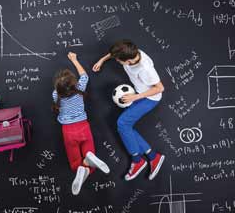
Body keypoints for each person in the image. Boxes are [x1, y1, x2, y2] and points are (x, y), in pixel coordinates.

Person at [92, 39, 165, 181]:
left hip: (150, 98)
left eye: (119, 61)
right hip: (139, 93)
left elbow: (160, 88)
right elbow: (114, 54)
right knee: (126, 126)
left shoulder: (146, 69)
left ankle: (138, 161)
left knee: (122, 123)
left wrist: (136, 97)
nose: (117, 62)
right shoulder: (131, 52)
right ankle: (153, 157)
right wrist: (102, 60)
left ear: (129, 61)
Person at [52, 52, 110, 195]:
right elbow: (85, 75)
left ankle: (82, 166)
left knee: (74, 164)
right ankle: (88, 160)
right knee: (90, 155)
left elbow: (60, 91)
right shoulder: (79, 89)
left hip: (68, 131)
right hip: (83, 127)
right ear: (74, 84)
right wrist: (74, 59)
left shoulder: (55, 95)